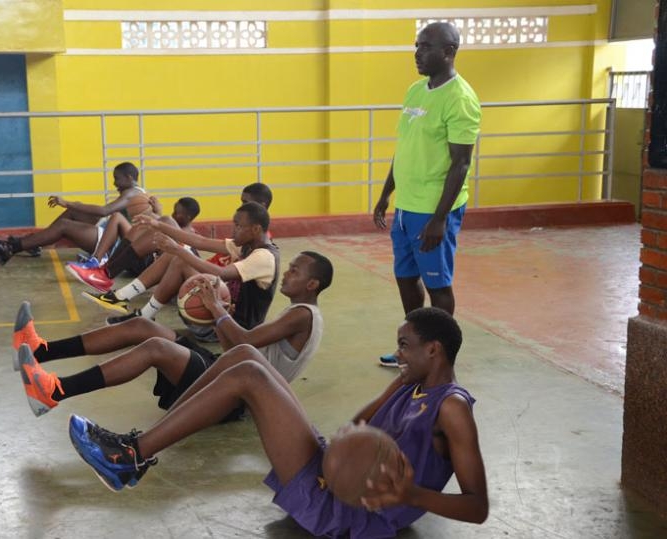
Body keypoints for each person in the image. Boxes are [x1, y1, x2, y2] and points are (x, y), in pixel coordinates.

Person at [67, 307, 488, 537]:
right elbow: (365, 419)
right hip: (339, 475)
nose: (398, 353)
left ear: (434, 350)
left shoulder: (451, 408)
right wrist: (352, 443)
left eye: (404, 345)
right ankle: (137, 447)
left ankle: (129, 457)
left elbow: (477, 507)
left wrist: (408, 490)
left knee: (249, 376)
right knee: (244, 357)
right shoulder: (409, 382)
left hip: (357, 513)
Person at [12, 251, 332, 417]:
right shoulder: (298, 313)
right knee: (143, 326)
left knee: (155, 347)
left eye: (294, 270)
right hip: (227, 370)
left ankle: (53, 392)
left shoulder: (303, 316)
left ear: (312, 284)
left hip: (234, 395)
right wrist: (216, 320)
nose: (287, 273)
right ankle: (40, 351)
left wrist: (216, 308)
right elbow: (237, 350)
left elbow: (245, 343)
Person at [372, 22, 481, 368]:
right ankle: (414, 348)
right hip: (406, 207)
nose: (417, 54)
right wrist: (386, 193)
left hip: (433, 209)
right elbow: (404, 147)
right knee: (405, 278)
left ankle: (442, 355)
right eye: (417, 46)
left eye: (426, 47)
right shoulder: (415, 91)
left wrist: (439, 219)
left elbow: (461, 164)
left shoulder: (460, 99)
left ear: (449, 52)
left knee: (439, 287)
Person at [68, 182, 273, 304]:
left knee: (170, 238)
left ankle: (105, 275)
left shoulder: (259, 247)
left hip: (216, 292)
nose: (241, 206)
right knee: (159, 223)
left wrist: (174, 244)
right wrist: (155, 222)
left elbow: (218, 270)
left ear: (261, 208)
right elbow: (200, 241)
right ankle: (104, 273)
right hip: (206, 275)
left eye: (245, 203)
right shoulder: (244, 238)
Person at [0, 162, 146, 265]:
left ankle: (10, 248)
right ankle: (34, 243)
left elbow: (105, 210)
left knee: (64, 225)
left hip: (114, 245)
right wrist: (72, 205)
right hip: (113, 235)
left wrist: (66, 202)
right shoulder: (136, 192)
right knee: (75, 209)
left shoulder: (132, 193)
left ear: (129, 177)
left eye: (117, 178)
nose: (114, 182)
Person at [70, 196, 201, 285]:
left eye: (177, 212)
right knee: (118, 217)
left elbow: (170, 241)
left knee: (163, 220)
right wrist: (153, 215)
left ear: (188, 217)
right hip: (138, 258)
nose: (173, 213)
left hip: (150, 266)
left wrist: (158, 216)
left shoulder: (191, 235)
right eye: (174, 210)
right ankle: (98, 263)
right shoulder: (172, 225)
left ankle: (106, 272)